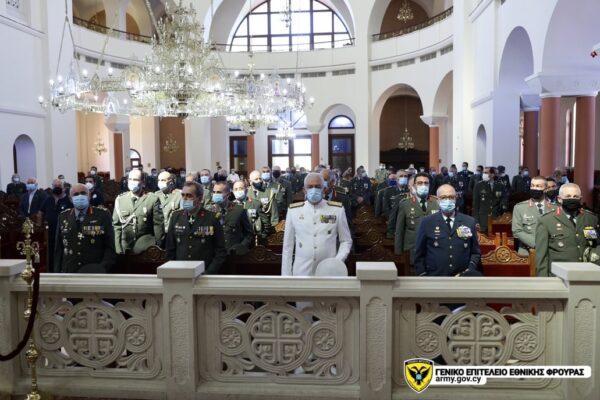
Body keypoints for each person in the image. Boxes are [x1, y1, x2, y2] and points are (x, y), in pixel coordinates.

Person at [282, 173, 352, 276]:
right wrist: (286, 276)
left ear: (324, 189)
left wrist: (337, 261)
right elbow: (288, 246)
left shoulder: (336, 210)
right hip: (301, 272)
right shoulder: (294, 211)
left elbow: (346, 241)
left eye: (318, 186)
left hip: (328, 272)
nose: (313, 189)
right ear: (304, 190)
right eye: (310, 187)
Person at [414, 184, 481, 276]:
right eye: (443, 197)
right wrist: (423, 275)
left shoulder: (469, 221)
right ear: (438, 200)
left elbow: (475, 252)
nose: (448, 200)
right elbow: (419, 253)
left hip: (462, 277)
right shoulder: (427, 222)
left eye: (451, 197)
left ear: (456, 199)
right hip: (435, 277)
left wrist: (469, 270)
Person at [535, 183, 600, 277]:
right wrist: (544, 280)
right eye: (568, 196)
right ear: (559, 199)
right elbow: (541, 256)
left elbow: (595, 244)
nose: (572, 199)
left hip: (586, 273)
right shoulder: (546, 220)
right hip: (559, 275)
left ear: (580, 198)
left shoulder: (590, 219)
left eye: (575, 196)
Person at [54, 183, 116, 273]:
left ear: (89, 196)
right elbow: (58, 249)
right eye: (75, 194)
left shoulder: (102, 215)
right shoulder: (63, 216)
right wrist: (57, 273)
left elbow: (110, 246)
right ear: (70, 199)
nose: (80, 196)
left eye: (83, 193)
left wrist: (103, 267)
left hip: (94, 270)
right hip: (70, 271)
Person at [166, 181, 226, 273]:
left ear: (200, 198)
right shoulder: (176, 217)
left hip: (204, 272)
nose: (185, 199)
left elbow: (220, 251)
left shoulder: (212, 218)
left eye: (189, 196)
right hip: (181, 272)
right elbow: (170, 249)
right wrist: (174, 271)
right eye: (183, 195)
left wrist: (209, 272)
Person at [113, 169, 165, 254]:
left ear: (143, 183)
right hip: (125, 248)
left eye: (135, 179)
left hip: (145, 248)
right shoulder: (120, 200)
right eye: (130, 179)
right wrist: (118, 250)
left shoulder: (152, 199)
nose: (132, 182)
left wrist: (158, 247)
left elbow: (158, 226)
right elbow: (117, 227)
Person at [395, 173, 440, 264]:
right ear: (414, 185)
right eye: (420, 183)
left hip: (434, 251)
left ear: (429, 185)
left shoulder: (437, 203)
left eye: (426, 183)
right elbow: (399, 231)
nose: (423, 185)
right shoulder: (405, 204)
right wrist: (398, 253)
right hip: (412, 251)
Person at [512, 176, 556, 256]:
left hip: (550, 251)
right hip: (527, 252)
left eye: (538, 186)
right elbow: (517, 231)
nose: (534, 188)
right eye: (532, 185)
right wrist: (537, 244)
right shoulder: (520, 207)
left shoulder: (555, 208)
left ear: (546, 189)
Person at [206, 182, 253, 254]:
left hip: (234, 254)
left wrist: (240, 247)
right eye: (214, 192)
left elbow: (248, 234)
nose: (215, 194)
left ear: (228, 194)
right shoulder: (209, 211)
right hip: (215, 254)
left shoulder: (239, 210)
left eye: (219, 192)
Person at [42, 179, 73, 272]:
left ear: (64, 188)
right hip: (50, 232)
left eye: (59, 186)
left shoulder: (68, 200)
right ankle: (51, 271)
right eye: (55, 186)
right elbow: (40, 212)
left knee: (62, 253)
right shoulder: (48, 199)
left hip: (63, 232)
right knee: (51, 253)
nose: (57, 188)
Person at [472, 167, 508, 234]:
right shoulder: (478, 185)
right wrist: (476, 221)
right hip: (483, 219)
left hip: (496, 218)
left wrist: (503, 206)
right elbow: (475, 205)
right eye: (483, 172)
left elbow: (504, 198)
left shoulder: (500, 185)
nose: (484, 174)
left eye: (486, 172)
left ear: (492, 174)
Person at [247, 169, 279, 239]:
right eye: (256, 179)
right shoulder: (247, 193)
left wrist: (271, 231)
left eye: (260, 178)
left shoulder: (269, 192)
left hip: (265, 229)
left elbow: (274, 214)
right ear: (250, 181)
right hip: (250, 229)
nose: (259, 181)